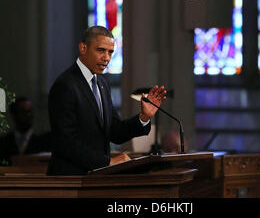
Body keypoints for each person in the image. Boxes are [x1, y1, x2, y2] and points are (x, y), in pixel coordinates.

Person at [47, 26, 166, 175]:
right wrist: (107, 163)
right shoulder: (65, 85)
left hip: (96, 178)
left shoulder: (102, 84)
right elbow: (65, 142)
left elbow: (114, 131)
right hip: (71, 180)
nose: (107, 58)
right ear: (83, 48)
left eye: (110, 52)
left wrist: (143, 117)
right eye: (101, 50)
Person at [0, 97, 52, 165]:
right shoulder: (3, 143)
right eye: (23, 112)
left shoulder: (43, 142)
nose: (28, 115)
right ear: (14, 114)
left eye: (30, 111)